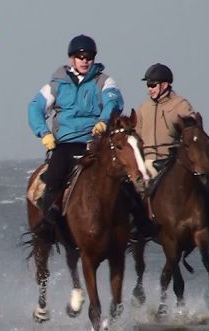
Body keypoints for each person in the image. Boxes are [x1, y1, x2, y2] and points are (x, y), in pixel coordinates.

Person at [27, 35, 155, 243]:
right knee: (54, 179)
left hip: (96, 142)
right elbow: (35, 108)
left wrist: (104, 120)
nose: (85, 60)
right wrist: (45, 133)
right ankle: (49, 227)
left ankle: (142, 224)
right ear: (72, 59)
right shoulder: (56, 84)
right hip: (66, 143)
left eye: (89, 57)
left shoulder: (104, 81)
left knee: (122, 177)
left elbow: (113, 101)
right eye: (80, 56)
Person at [136, 62, 209, 241]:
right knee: (133, 188)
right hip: (148, 160)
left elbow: (192, 129)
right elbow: (137, 134)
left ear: (164, 85)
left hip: (171, 160)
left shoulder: (180, 105)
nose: (149, 89)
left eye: (152, 84)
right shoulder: (143, 109)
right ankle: (136, 227)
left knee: (208, 184)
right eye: (148, 85)